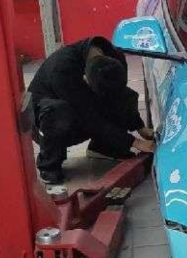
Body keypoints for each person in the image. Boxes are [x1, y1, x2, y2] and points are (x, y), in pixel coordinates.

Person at [28, 36, 155, 184]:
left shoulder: (115, 57)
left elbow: (121, 94)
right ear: (85, 78)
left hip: (82, 108)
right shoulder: (62, 70)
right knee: (58, 112)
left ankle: (103, 148)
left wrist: (139, 127)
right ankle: (49, 165)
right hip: (48, 122)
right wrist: (134, 142)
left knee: (125, 95)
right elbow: (88, 117)